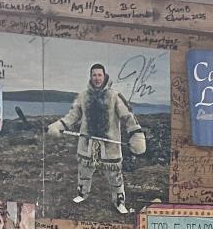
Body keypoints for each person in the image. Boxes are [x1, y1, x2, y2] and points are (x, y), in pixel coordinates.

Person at [47, 64, 145, 215]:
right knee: (84, 172)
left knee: (115, 175)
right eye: (94, 75)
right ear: (90, 77)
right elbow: (72, 115)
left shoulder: (114, 96)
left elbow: (128, 116)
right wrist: (59, 125)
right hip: (87, 144)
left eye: (100, 75)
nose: (97, 78)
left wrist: (136, 134)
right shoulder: (83, 96)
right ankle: (82, 194)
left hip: (110, 146)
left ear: (104, 76)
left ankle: (119, 202)